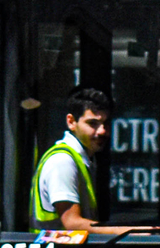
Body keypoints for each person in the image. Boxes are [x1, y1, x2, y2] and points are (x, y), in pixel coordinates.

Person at [29, 87, 127, 236]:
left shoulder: (81, 159)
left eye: (105, 124)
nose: (102, 131)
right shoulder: (62, 161)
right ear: (71, 122)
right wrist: (132, 232)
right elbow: (72, 224)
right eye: (92, 124)